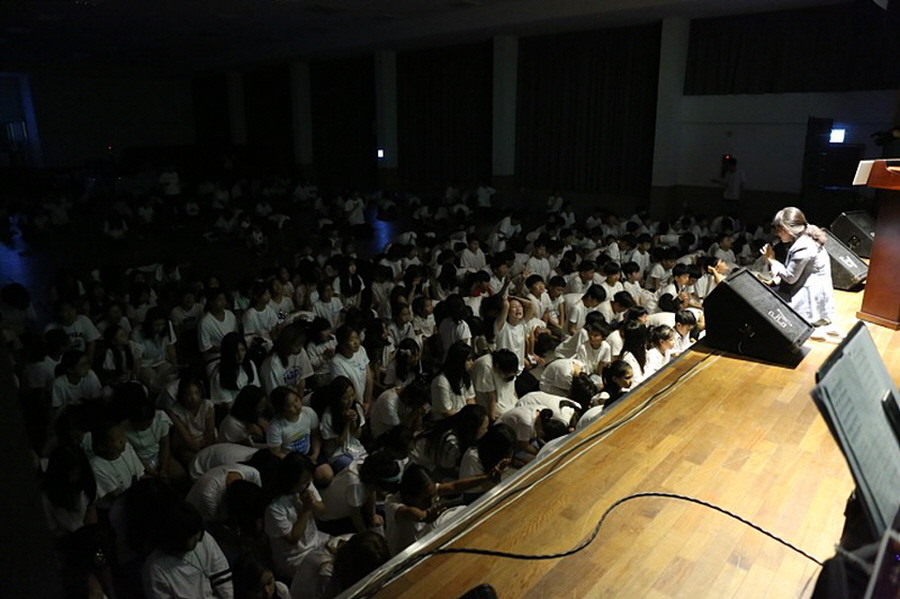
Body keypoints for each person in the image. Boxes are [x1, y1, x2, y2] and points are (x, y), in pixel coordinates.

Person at [762, 207, 837, 338]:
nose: (777, 234)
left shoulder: (804, 246)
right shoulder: (809, 233)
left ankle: (810, 327)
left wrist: (771, 260)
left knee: (765, 302)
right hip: (818, 292)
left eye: (779, 230)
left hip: (809, 296)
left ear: (787, 229)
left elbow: (790, 277)